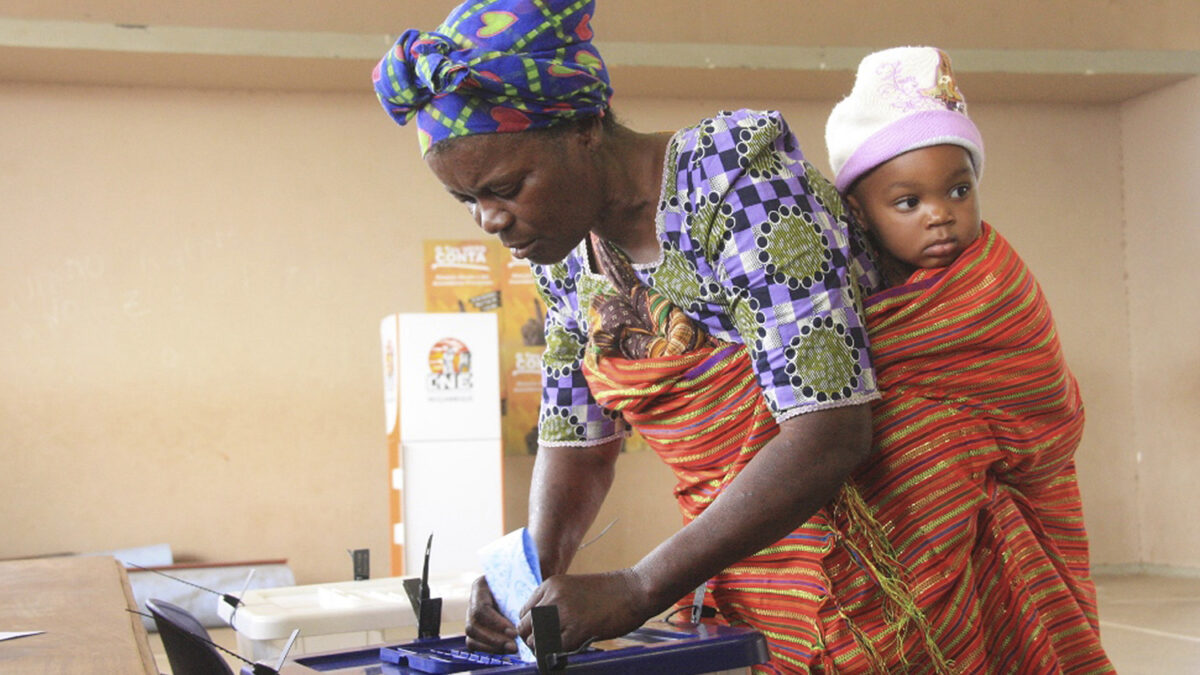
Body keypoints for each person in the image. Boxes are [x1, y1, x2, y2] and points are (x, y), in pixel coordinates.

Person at [373, 1, 893, 672]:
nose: (490, 220)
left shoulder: (739, 190)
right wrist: (531, 575)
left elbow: (830, 431)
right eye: (466, 199)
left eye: (506, 186)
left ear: (586, 128)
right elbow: (578, 441)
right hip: (754, 571)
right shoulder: (564, 259)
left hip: (883, 557)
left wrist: (639, 584)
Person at [821, 46, 1114, 671]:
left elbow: (1046, 403)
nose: (941, 216)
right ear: (861, 215)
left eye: (958, 189)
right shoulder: (842, 303)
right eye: (908, 202)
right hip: (919, 539)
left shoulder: (996, 285)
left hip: (1011, 510)